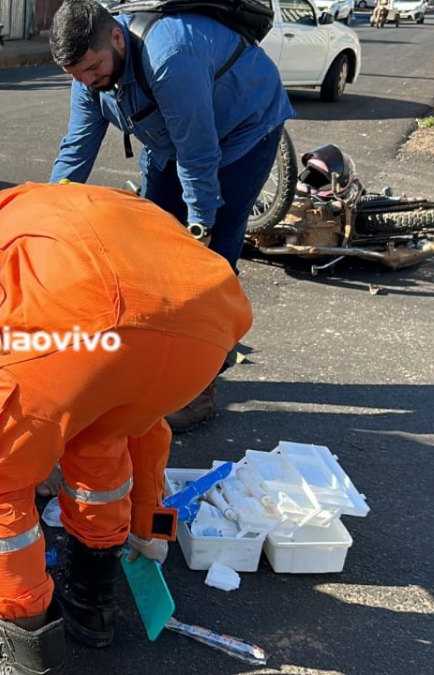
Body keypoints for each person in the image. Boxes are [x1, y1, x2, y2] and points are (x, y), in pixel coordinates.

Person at [0, 182, 252, 674]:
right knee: (106, 435)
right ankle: (93, 605)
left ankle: (26, 659)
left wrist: (4, 419)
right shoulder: (127, 210)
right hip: (206, 330)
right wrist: (153, 530)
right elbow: (150, 438)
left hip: (77, 322)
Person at [47, 0, 292, 430]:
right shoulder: (89, 79)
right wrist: (44, 217)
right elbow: (76, 151)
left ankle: (199, 387)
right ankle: (154, 366)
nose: (89, 82)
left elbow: (199, 156)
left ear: (117, 38)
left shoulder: (170, 57)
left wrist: (200, 230)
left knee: (206, 269)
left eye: (93, 69)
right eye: (78, 76)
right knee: (149, 256)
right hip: (167, 140)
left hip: (241, 132)